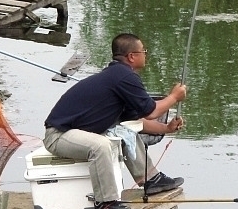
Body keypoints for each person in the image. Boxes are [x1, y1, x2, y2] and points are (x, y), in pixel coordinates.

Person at [43, 34, 187, 209]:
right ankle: (106, 202)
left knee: (125, 132)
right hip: (59, 135)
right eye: (144, 51)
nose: (146, 54)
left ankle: (152, 180)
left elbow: (136, 120)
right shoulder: (123, 76)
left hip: (77, 133)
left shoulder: (119, 76)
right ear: (132, 56)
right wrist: (174, 97)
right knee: (100, 145)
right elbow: (151, 111)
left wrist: (166, 128)